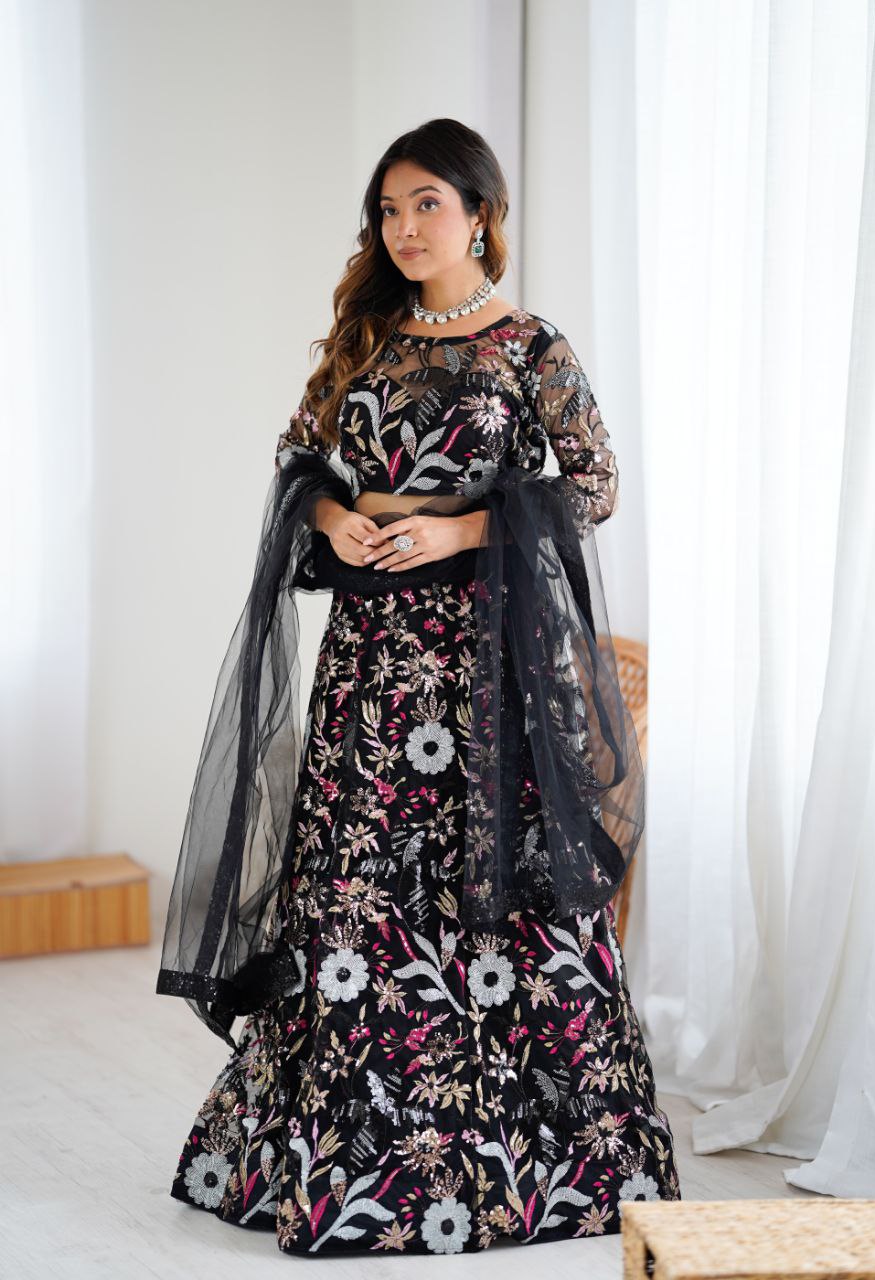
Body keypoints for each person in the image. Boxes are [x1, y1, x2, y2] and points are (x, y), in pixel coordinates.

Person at [157, 117, 681, 1256]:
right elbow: (297, 457)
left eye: (426, 205)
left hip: (482, 668)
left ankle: (528, 1165)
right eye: (388, 211)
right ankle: (345, 1164)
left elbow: (592, 484)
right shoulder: (366, 339)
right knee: (355, 886)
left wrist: (460, 531)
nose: (403, 228)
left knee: (493, 882)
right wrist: (330, 512)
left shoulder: (530, 347)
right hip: (368, 666)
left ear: (481, 214)